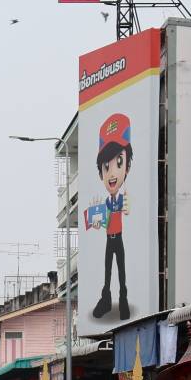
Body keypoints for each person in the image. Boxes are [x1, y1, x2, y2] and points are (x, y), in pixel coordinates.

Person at [85, 112, 133, 321]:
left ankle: (123, 301)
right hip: (108, 239)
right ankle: (106, 299)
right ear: (101, 173)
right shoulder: (105, 203)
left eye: (118, 162)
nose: (112, 173)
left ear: (127, 166)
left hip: (119, 239)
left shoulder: (122, 199)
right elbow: (97, 222)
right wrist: (94, 220)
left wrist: (127, 207)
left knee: (121, 270)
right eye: (106, 167)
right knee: (107, 270)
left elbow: (127, 211)